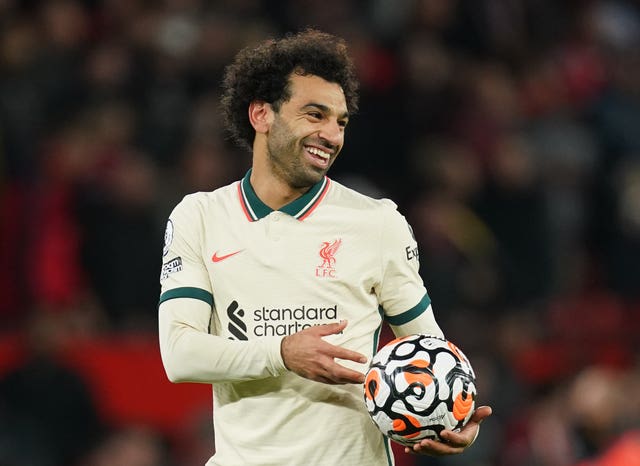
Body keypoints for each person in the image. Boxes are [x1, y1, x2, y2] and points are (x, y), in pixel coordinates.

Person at [158, 29, 491, 466]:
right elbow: (180, 355)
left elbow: (429, 352)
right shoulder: (199, 217)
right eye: (314, 115)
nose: (331, 135)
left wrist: (453, 414)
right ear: (261, 114)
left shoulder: (377, 223)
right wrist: (282, 354)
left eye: (340, 122)